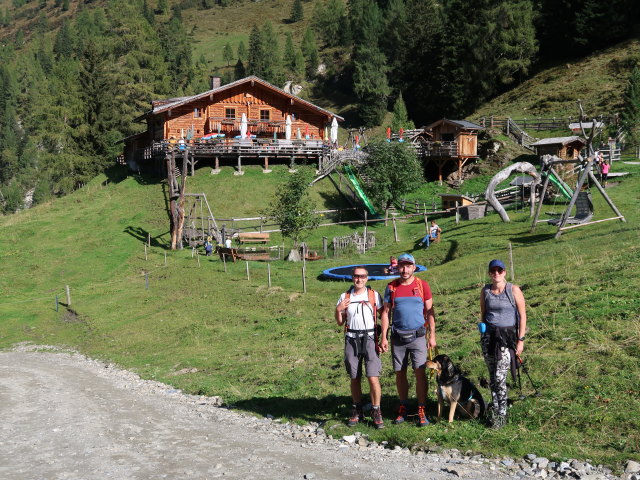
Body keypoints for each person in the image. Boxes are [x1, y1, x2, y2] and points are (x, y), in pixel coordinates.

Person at [380, 253, 437, 427]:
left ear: (414, 267)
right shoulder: (391, 287)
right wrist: (384, 336)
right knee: (400, 373)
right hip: (398, 338)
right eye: (402, 266)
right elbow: (385, 313)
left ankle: (421, 408)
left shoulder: (422, 285)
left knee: (420, 373)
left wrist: (432, 335)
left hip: (418, 337)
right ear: (398, 267)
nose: (405, 269)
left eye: (408, 266)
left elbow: (430, 311)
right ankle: (403, 406)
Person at [479, 259, 527, 429]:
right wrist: (484, 333)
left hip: (506, 340)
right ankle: (496, 408)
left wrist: (520, 340)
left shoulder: (513, 290)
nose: (496, 274)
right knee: (492, 376)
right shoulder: (485, 291)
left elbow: (522, 316)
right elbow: (483, 314)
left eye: (499, 270)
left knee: (500, 377)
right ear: (489, 273)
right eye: (493, 271)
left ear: (505, 272)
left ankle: (502, 415)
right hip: (489, 339)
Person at [335, 266, 385, 429]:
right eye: (356, 276)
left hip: (370, 338)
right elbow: (340, 321)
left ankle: (376, 411)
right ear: (352, 277)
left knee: (373, 377)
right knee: (354, 377)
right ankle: (357, 410)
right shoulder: (345, 296)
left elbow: (384, 315)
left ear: (367, 278)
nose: (359, 279)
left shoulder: (374, 295)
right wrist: (339, 309)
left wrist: (384, 336)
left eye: (362, 276)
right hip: (351, 338)